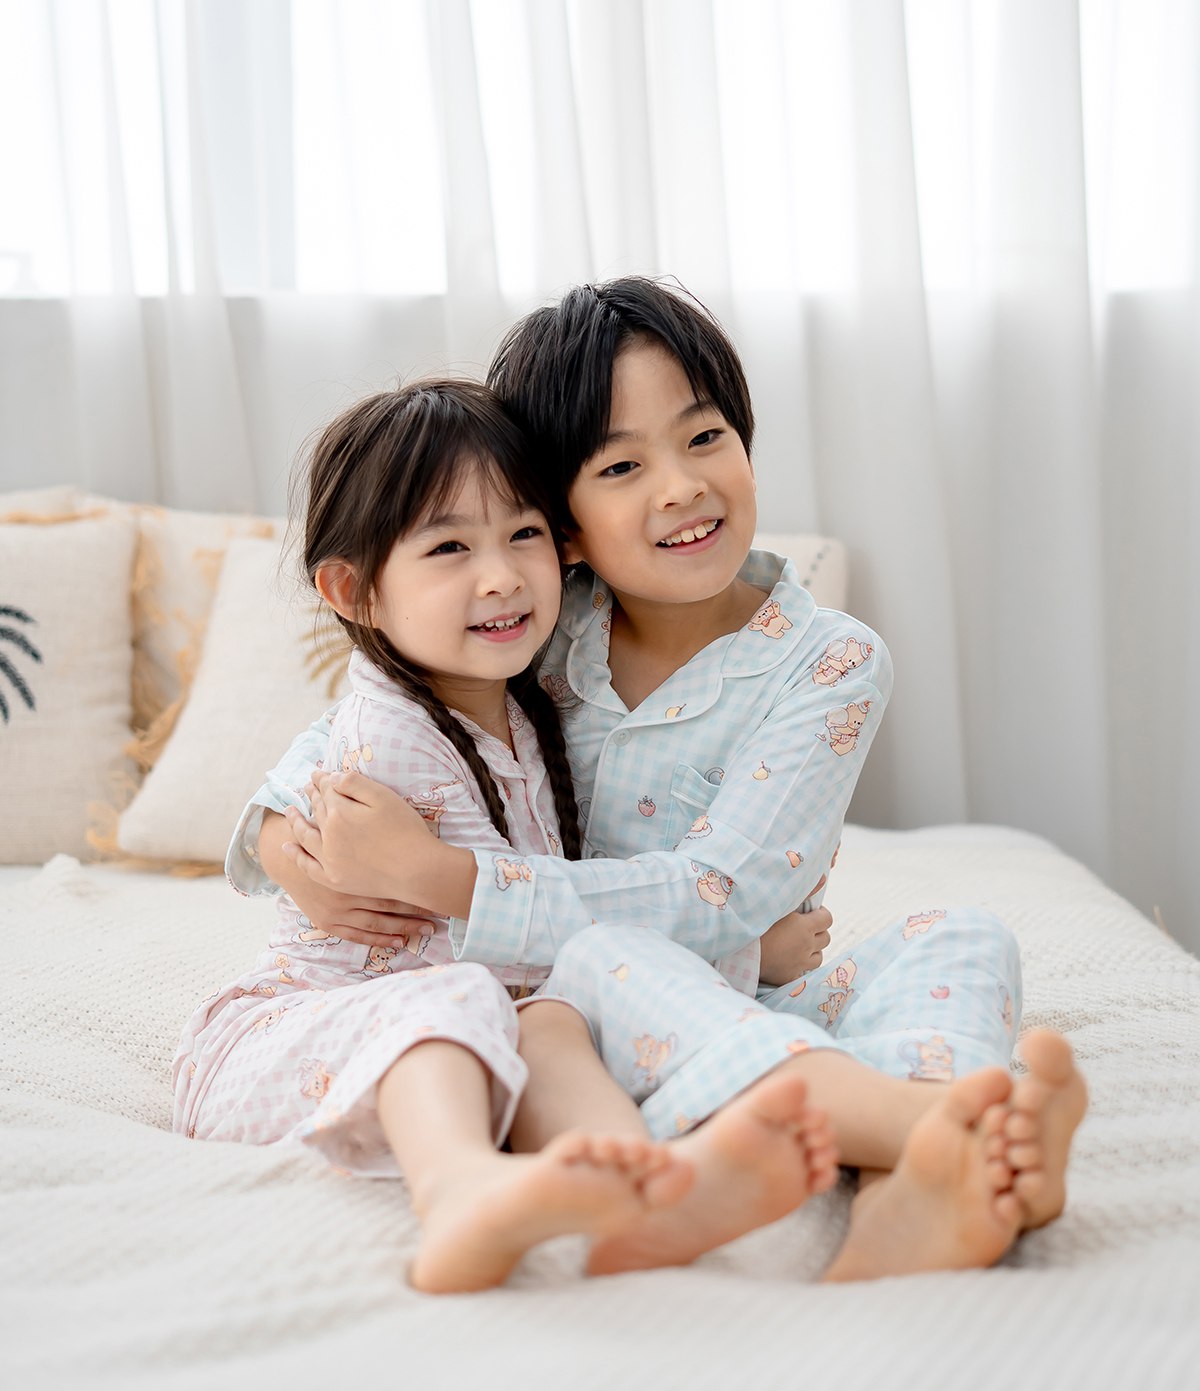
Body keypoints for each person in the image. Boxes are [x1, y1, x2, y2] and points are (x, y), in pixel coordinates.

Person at [244, 279, 1088, 1281]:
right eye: (621, 464)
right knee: (611, 961)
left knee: (960, 935)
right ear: (562, 518)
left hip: (737, 997)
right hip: (579, 1011)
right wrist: (277, 836)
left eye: (705, 438)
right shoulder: (539, 621)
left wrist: (452, 881)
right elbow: (384, 702)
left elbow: (723, 890)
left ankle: (921, 1185)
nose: (680, 487)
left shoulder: (828, 663)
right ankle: (934, 1128)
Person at [174, 378, 841, 1296]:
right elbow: (498, 946)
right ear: (353, 591)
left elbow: (539, 938)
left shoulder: (523, 699)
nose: (499, 576)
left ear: (565, 548)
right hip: (279, 1048)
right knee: (473, 1007)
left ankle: (639, 1182)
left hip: (447, 1022)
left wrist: (735, 934)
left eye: (522, 534)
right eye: (450, 547)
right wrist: (741, 953)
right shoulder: (397, 738)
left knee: (544, 1023)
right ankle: (460, 1191)